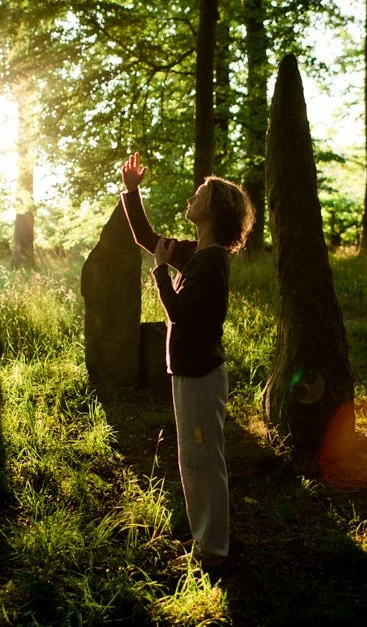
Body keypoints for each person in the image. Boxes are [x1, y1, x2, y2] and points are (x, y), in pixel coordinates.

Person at [119, 151, 255, 568]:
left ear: (213, 210)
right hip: (187, 371)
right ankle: (205, 542)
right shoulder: (198, 252)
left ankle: (213, 550)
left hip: (201, 374)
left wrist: (160, 272)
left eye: (200, 194)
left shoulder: (212, 261)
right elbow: (147, 238)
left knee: (202, 460)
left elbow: (178, 313)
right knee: (192, 459)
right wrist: (132, 190)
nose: (192, 197)